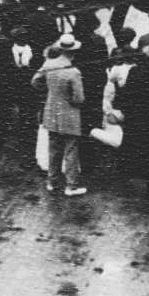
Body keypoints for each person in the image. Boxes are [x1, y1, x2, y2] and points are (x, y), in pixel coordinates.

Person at [33, 34, 88, 195]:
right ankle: (71, 185)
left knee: (54, 148)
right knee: (71, 149)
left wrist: (49, 92)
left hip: (51, 109)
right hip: (69, 113)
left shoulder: (49, 64)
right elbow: (79, 98)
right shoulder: (73, 72)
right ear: (74, 51)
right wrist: (70, 99)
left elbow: (35, 81)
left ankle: (52, 181)